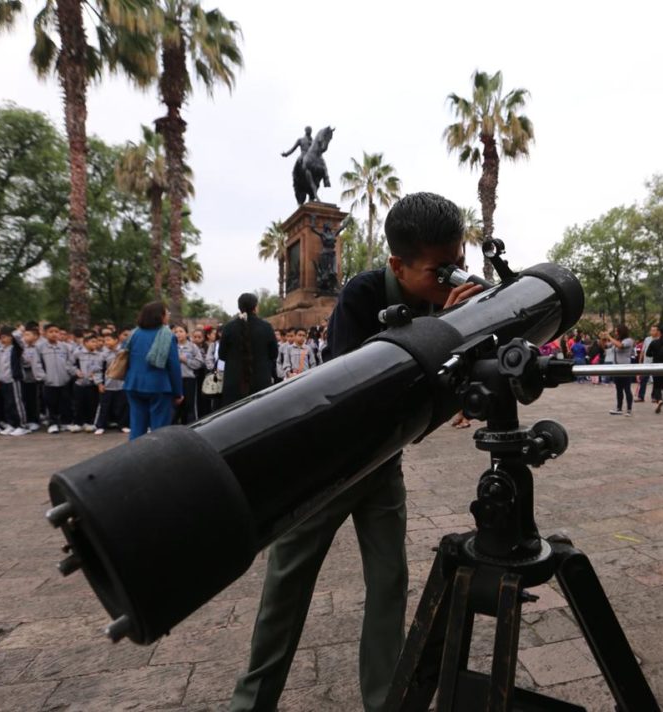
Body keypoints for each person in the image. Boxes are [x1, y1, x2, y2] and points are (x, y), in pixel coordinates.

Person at [229, 192, 482, 712]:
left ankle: (383, 700)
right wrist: (440, 331)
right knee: (285, 594)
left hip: (381, 464)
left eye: (458, 265)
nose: (451, 280)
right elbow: (361, 384)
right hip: (322, 468)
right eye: (441, 271)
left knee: (390, 583)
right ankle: (251, 704)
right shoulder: (362, 295)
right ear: (397, 265)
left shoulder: (444, 298)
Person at [124, 301, 183, 439]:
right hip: (158, 386)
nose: (168, 316)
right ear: (160, 316)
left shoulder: (134, 334)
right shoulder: (168, 335)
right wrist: (178, 392)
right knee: (159, 430)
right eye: (166, 313)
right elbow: (174, 366)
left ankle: (135, 457)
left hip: (133, 384)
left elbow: (125, 357)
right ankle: (157, 458)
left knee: (137, 428)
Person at [219, 293, 278, 407]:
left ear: (239, 307)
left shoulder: (229, 328)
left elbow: (222, 355)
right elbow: (273, 353)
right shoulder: (266, 327)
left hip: (234, 383)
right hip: (260, 383)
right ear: (256, 307)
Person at [0, 326, 30, 436]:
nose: (3, 339)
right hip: (3, 380)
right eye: (1, 337)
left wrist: (18, 330)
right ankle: (11, 424)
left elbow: (19, 339)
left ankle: (22, 425)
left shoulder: (16, 349)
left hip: (14, 379)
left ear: (11, 337)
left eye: (5, 337)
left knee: (17, 403)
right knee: (7, 404)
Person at [94, 331, 129, 435]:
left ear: (116, 340)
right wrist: (99, 383)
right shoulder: (102, 355)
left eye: (108, 340)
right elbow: (97, 370)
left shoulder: (123, 353)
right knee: (104, 406)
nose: (106, 342)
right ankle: (100, 425)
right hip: (107, 385)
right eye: (105, 340)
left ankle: (122, 425)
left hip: (121, 384)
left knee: (122, 406)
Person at [71, 333, 103, 432]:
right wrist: (76, 372)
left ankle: (89, 422)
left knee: (92, 403)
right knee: (79, 403)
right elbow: (70, 364)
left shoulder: (99, 355)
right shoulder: (78, 353)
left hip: (92, 384)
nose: (95, 344)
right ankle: (78, 423)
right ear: (85, 343)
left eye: (96, 342)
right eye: (92, 341)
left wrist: (97, 381)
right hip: (80, 383)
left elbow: (99, 369)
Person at [174, 324, 201, 423]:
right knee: (176, 407)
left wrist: (186, 360)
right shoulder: (171, 346)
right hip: (175, 380)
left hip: (189, 379)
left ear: (186, 333)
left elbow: (199, 363)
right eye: (176, 332)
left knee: (189, 405)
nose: (178, 334)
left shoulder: (192, 347)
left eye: (181, 331)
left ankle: (191, 425)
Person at [606, 324, 634, 416]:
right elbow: (605, 346)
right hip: (616, 368)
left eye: (616, 331)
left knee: (627, 389)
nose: (615, 333)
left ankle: (629, 410)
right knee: (619, 389)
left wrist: (609, 337)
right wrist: (603, 338)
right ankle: (619, 408)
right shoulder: (616, 341)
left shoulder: (628, 341)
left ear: (621, 332)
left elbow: (620, 346)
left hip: (625, 368)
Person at [636, 325, 658, 401]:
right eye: (651, 330)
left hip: (655, 363)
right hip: (646, 363)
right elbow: (643, 351)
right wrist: (640, 361)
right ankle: (641, 396)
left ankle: (654, 397)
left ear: (657, 331)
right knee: (643, 380)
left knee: (656, 380)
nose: (652, 332)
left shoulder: (659, 340)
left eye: (654, 330)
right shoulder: (647, 339)